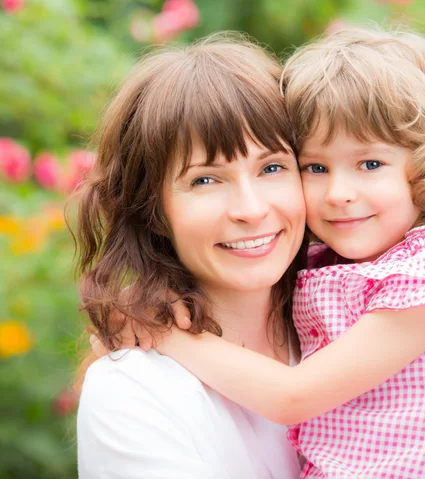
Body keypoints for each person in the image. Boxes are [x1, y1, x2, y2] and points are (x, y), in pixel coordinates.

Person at [148, 27, 425, 478]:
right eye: (315, 167)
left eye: (370, 164)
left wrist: (159, 334)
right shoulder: (325, 266)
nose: (339, 193)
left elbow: (292, 397)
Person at [74, 33, 308, 479]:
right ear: (154, 210)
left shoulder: (352, 327)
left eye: (272, 167)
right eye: (205, 180)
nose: (251, 209)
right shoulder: (132, 391)